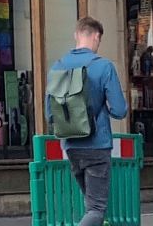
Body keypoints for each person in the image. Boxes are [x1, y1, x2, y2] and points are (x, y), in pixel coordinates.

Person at [47, 15, 129, 226]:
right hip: (97, 145)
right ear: (96, 37)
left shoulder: (57, 66)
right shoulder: (104, 66)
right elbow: (120, 110)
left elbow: (50, 113)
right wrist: (103, 111)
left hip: (71, 146)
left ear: (76, 35)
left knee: (91, 207)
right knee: (96, 209)